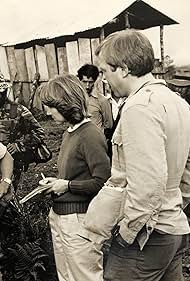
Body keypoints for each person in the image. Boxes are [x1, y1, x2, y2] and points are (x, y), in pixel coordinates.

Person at [94, 29, 190, 281]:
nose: (103, 79)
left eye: (104, 71)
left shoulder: (139, 107)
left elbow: (148, 182)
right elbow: (188, 170)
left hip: (148, 236)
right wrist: (178, 205)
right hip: (172, 228)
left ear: (123, 69)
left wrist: (127, 232)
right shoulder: (177, 102)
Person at [40, 74, 111, 281]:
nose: (47, 111)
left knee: (84, 276)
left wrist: (68, 186)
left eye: (51, 106)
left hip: (80, 221)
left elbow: (104, 181)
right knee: (66, 276)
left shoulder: (90, 134)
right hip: (60, 216)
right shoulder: (69, 133)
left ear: (66, 103)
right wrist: (57, 183)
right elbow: (74, 175)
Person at [0, 74, 50, 191]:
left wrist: (18, 145)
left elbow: (39, 133)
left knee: (6, 196)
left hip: (11, 163)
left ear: (4, 91)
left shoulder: (18, 110)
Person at [77, 63, 113, 131]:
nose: (87, 86)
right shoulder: (75, 99)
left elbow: (109, 125)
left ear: (95, 81)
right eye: (84, 82)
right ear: (79, 81)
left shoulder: (102, 100)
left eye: (90, 82)